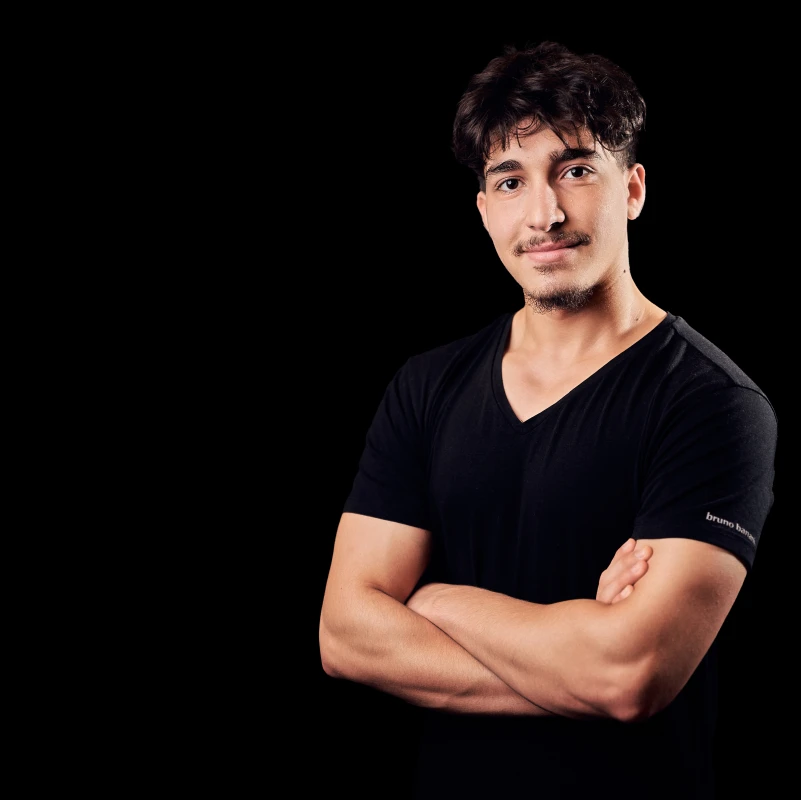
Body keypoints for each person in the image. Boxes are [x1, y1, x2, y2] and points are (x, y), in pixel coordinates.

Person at [318, 40, 778, 799]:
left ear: (632, 189)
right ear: (483, 210)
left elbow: (628, 674)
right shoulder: (426, 386)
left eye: (575, 170)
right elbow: (343, 634)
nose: (545, 214)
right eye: (510, 180)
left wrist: (434, 599)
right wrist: (574, 659)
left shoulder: (711, 404)